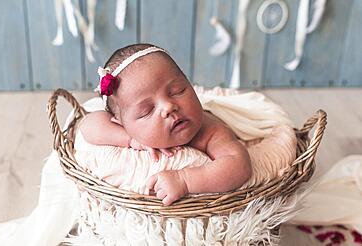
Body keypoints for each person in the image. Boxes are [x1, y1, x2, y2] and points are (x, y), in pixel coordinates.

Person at [79, 43, 252, 206]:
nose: (168, 107)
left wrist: (184, 180)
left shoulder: (209, 131)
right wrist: (130, 139)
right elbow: (88, 125)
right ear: (123, 124)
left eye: (178, 91)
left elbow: (239, 165)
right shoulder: (129, 131)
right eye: (146, 111)